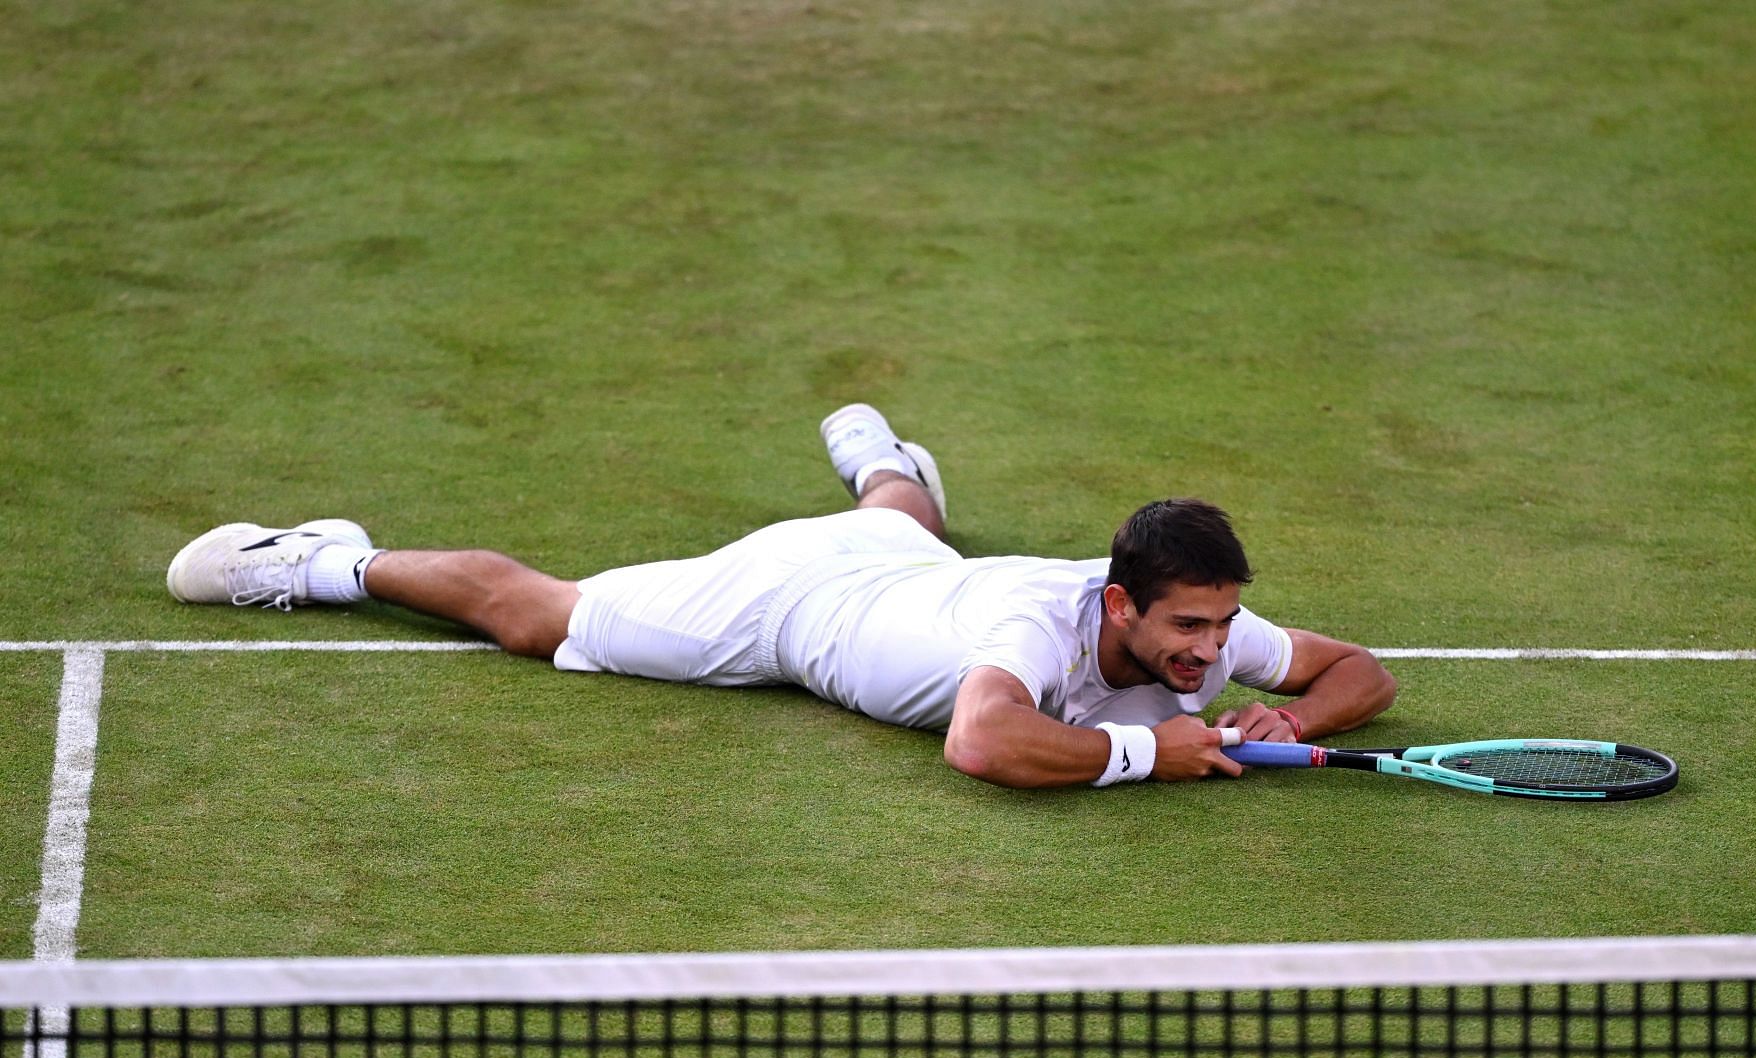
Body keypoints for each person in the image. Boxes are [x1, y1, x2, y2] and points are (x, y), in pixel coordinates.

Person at [166, 404, 1396, 788]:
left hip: (908, 575)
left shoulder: (1206, 634)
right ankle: (321, 558)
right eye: (1188, 626)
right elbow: (981, 738)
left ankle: (888, 467)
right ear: (1119, 603)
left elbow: (1363, 673)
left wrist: (1298, 717)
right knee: (536, 613)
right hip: (781, 610)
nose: (1213, 647)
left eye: (1225, 623)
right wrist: (1148, 759)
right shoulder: (1034, 629)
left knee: (902, 527)